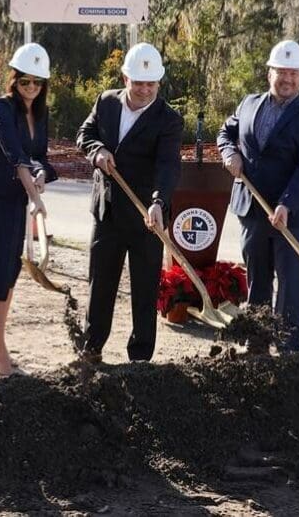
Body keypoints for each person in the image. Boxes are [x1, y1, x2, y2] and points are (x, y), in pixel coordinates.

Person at [76, 42, 183, 363]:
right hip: (107, 212)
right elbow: (85, 132)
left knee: (144, 289)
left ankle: (139, 358)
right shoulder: (106, 102)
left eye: (151, 84)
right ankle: (91, 350)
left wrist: (158, 202)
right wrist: (96, 151)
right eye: (138, 83)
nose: (144, 90)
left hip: (146, 218)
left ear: (159, 84)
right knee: (101, 285)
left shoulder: (169, 120)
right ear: (125, 79)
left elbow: (167, 166)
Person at [217, 40, 299, 351]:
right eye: (282, 72)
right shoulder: (249, 104)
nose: (287, 79)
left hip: (289, 214)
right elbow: (226, 132)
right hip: (252, 210)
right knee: (258, 283)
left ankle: (289, 352)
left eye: (294, 73)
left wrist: (286, 204)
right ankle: (258, 345)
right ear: (270, 73)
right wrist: (229, 153)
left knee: (291, 287)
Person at [0, 43, 57, 377]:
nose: (31, 89)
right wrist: (35, 195)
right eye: (25, 82)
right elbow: (14, 155)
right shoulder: (1, 109)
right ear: (14, 80)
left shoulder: (40, 113)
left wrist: (40, 175)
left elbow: (39, 158)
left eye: (37, 83)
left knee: (10, 270)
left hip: (18, 193)